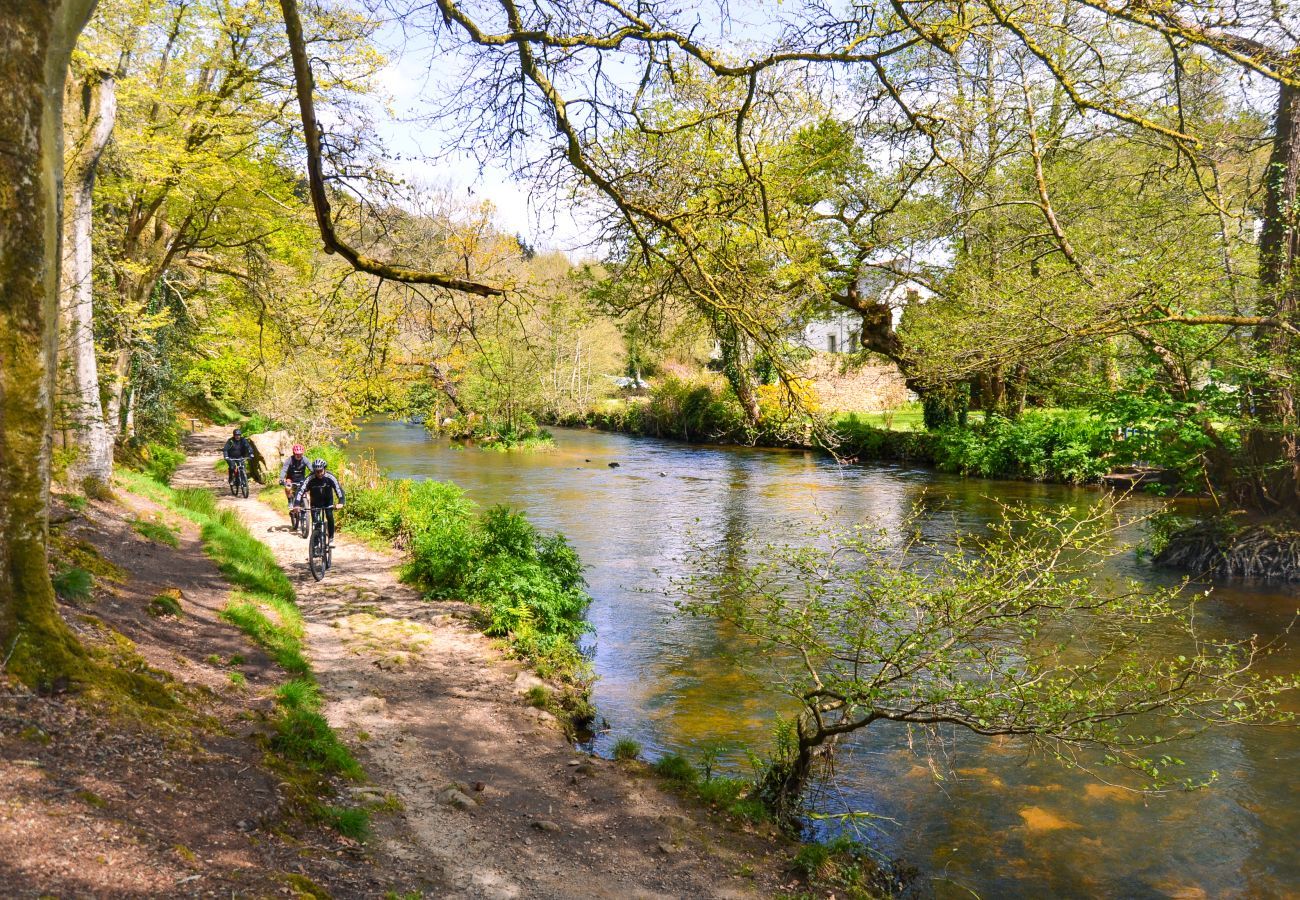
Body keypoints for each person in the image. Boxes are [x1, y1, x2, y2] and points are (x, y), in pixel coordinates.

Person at [293, 458, 345, 545]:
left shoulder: (330, 477)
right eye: (317, 471)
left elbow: (338, 489)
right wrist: (296, 504)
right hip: (315, 503)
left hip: (328, 502)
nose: (319, 473)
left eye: (321, 471)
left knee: (329, 516)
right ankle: (316, 544)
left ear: (324, 469)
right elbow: (300, 490)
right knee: (316, 523)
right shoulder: (310, 478)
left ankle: (331, 538)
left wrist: (341, 502)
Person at [280, 444, 309, 522]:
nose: (299, 456)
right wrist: (281, 478)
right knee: (288, 486)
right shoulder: (289, 460)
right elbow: (284, 470)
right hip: (291, 479)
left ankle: (305, 511)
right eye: (297, 454)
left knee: (307, 495)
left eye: (300, 454)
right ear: (294, 453)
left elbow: (311, 468)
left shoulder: (305, 459)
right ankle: (290, 500)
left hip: (301, 479)